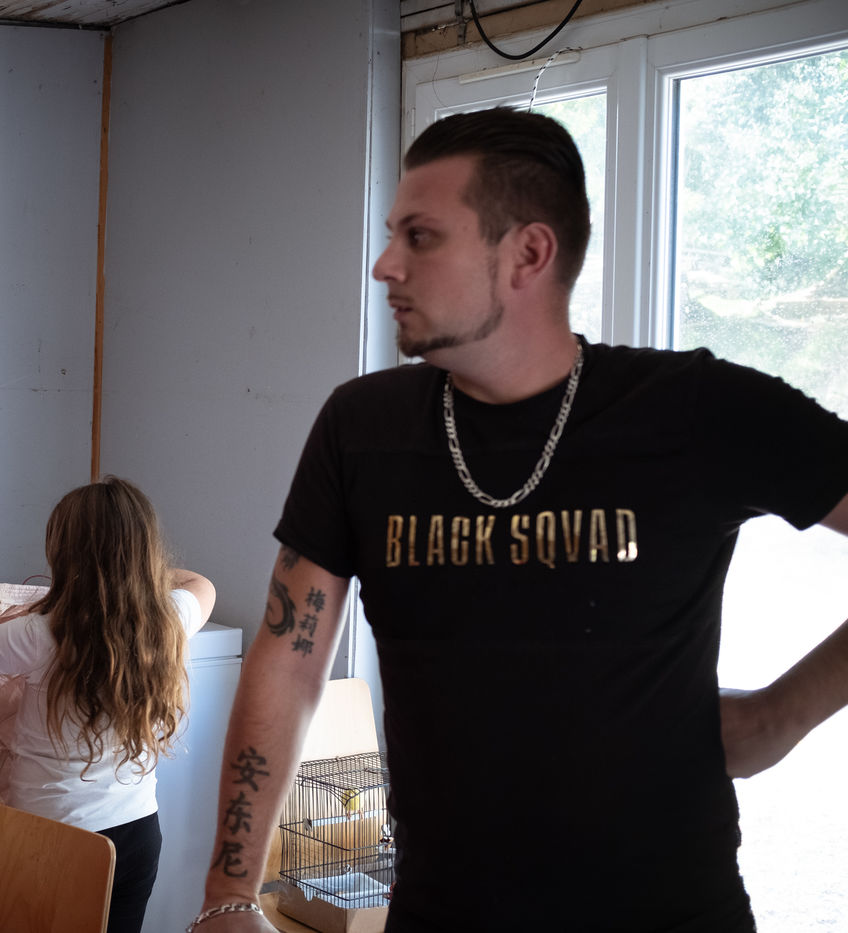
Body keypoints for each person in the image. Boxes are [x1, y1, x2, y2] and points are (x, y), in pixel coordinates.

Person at [191, 107, 848, 933]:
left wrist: (781, 714)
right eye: (393, 235)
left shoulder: (694, 410)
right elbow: (290, 658)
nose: (385, 264)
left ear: (528, 254)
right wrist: (228, 892)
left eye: (421, 237)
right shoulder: (362, 429)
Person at [0, 476, 216, 933]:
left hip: (53, 836)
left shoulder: (41, 634)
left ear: (65, 554)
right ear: (146, 552)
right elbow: (200, 582)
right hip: (138, 831)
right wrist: (134, 574)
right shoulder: (168, 621)